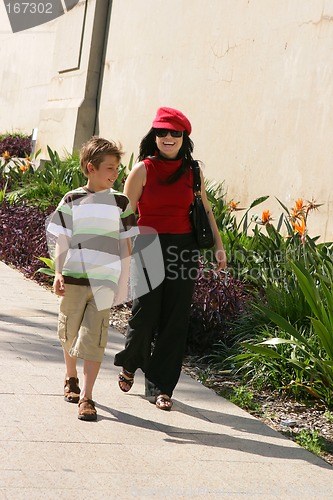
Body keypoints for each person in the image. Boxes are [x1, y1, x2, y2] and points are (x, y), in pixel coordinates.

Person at [114, 107, 227, 410]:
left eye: (174, 133)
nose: (168, 138)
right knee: (145, 313)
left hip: (184, 247)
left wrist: (218, 245)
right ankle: (130, 362)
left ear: (183, 137)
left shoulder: (194, 172)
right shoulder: (143, 169)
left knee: (175, 319)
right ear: (154, 136)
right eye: (162, 132)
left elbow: (206, 209)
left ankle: (162, 387)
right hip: (148, 244)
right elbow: (126, 213)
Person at [47, 136, 137, 421]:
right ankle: (70, 376)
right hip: (73, 279)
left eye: (117, 168)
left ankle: (86, 396)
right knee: (69, 332)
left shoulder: (121, 203)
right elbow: (62, 239)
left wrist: (123, 281)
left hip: (104, 283)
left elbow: (127, 245)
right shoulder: (73, 199)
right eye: (110, 168)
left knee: (94, 339)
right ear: (91, 167)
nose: (115, 173)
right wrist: (58, 272)